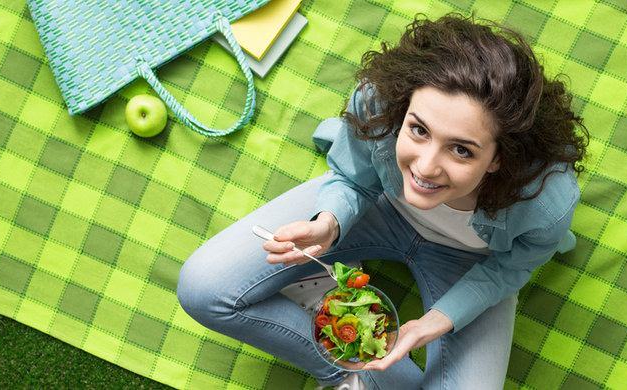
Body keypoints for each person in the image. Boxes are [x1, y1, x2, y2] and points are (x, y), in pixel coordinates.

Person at [177, 13, 588, 390]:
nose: (426, 168)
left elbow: (509, 270)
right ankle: (346, 370)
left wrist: (434, 323)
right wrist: (329, 223)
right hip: (377, 209)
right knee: (203, 289)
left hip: (472, 263)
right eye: (419, 130)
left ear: (499, 157)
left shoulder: (546, 197)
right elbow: (350, 178)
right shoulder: (378, 100)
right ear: (402, 110)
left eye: (461, 150)